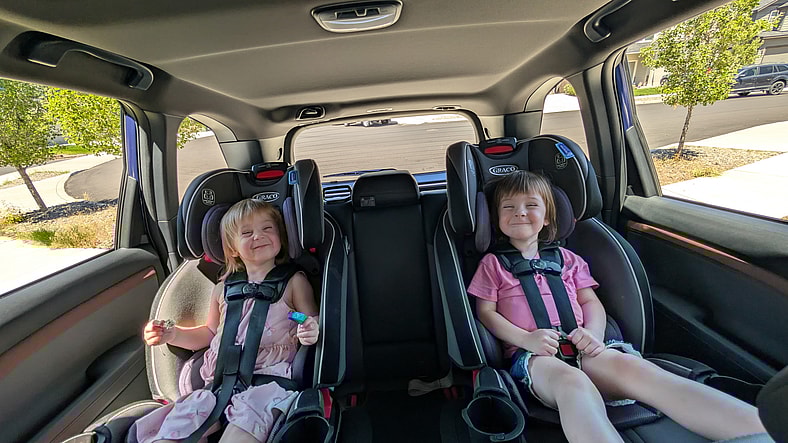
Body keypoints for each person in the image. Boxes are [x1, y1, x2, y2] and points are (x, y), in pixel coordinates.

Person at [467, 170, 767, 443]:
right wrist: (526, 339)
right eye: (509, 207)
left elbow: (589, 301)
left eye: (531, 205)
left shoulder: (568, 261)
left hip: (584, 345)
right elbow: (486, 313)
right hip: (533, 358)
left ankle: (762, 432)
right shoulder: (493, 264)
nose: (520, 212)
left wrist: (593, 334)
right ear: (497, 219)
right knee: (572, 383)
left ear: (547, 217)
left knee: (635, 368)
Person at [134, 198, 319, 443]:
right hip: (217, 385)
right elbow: (211, 332)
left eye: (267, 229)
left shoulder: (293, 282)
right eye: (247, 232)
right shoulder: (223, 289)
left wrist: (308, 325)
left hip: (268, 382)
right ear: (233, 248)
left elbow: (306, 316)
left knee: (247, 423)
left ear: (280, 238)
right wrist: (173, 334)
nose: (258, 236)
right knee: (178, 425)